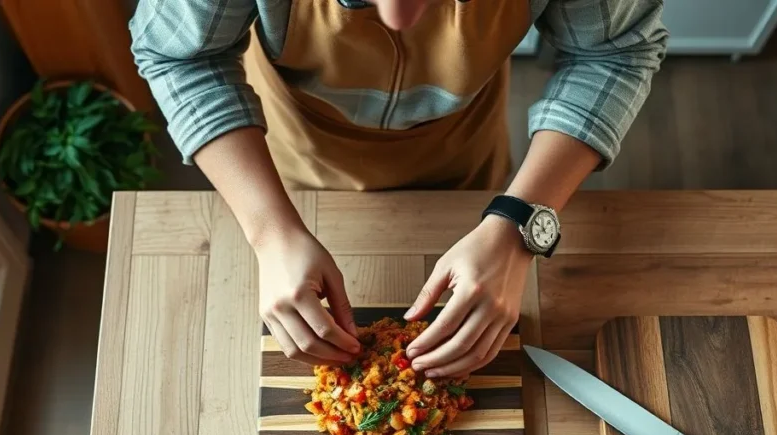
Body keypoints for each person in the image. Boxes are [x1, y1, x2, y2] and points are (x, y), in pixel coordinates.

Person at [130, 0, 667, 377]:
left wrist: (518, 221)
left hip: (466, 160)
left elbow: (615, 51)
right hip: (293, 164)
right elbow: (181, 54)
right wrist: (271, 233)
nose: (400, 16)